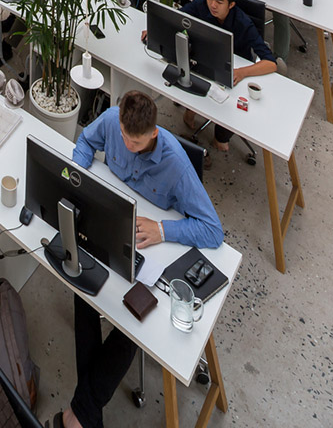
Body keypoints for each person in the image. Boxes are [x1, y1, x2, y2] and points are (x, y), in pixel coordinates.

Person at [60, 90, 222, 428]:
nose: (127, 147)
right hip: (109, 223)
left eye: (135, 144)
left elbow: (213, 231)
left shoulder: (175, 164)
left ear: (154, 133)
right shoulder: (111, 121)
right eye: (123, 138)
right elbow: (85, 143)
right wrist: (82, 181)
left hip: (151, 252)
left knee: (132, 323)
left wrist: (163, 230)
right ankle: (85, 413)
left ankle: (79, 414)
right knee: (80, 284)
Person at [178, 0, 277, 152]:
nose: (212, 5)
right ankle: (191, 110)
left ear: (231, 4)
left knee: (227, 119)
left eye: (219, 1)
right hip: (204, 59)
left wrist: (242, 72)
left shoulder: (243, 23)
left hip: (234, 69)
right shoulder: (202, 4)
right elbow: (176, 18)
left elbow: (271, 63)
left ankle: (220, 136)